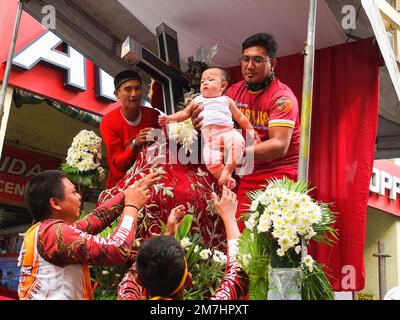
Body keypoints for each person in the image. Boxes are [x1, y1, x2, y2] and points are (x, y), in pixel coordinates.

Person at [192, 33, 300, 229]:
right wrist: (197, 121)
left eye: (258, 60)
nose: (249, 66)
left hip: (281, 174)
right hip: (249, 172)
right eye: (245, 59)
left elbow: (279, 146)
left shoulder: (282, 97)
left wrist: (235, 153)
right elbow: (213, 120)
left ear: (272, 63)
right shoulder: (234, 92)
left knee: (274, 239)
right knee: (242, 235)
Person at [17, 169, 164, 300]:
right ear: (56, 203)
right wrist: (132, 206)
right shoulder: (54, 233)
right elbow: (117, 249)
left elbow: (96, 219)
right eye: (74, 192)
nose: (80, 196)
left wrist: (131, 191)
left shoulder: (44, 231)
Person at [117, 186, 248, 300]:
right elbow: (238, 274)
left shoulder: (126, 295)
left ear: (140, 280)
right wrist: (229, 217)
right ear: (188, 280)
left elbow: (130, 279)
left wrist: (167, 239)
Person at [159, 67, 260, 189]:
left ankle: (228, 170)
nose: (205, 83)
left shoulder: (226, 100)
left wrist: (251, 131)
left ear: (223, 86)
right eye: (202, 81)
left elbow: (240, 117)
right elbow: (185, 114)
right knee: (211, 162)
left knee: (237, 143)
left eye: (210, 80)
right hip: (210, 140)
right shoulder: (197, 100)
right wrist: (168, 118)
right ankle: (226, 179)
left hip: (228, 132)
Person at [100, 70, 160, 188]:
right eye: (128, 89)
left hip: (152, 180)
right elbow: (118, 164)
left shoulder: (153, 115)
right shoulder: (109, 122)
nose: (134, 94)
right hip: (121, 185)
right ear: (117, 94)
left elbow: (163, 151)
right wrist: (135, 143)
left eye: (137, 88)